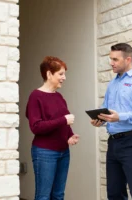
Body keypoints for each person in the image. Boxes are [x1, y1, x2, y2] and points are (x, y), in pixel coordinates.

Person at [91, 43, 132, 200]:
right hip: (113, 143)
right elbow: (106, 109)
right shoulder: (112, 84)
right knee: (114, 193)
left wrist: (121, 117)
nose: (111, 63)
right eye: (110, 59)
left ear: (128, 59)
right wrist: (100, 119)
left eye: (115, 59)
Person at [26, 56, 79, 200]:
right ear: (49, 74)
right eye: (60, 74)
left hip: (63, 152)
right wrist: (63, 120)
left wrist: (70, 135)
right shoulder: (35, 96)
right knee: (43, 196)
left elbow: (64, 123)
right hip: (44, 153)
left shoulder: (59, 97)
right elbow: (36, 127)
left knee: (58, 195)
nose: (64, 77)